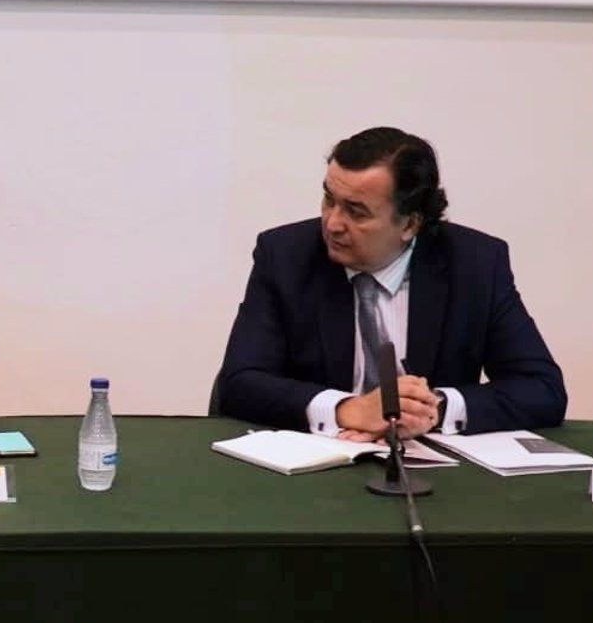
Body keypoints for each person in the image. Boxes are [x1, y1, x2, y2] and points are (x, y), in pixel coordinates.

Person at [213, 127, 565, 440]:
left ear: (410, 224)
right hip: (315, 465)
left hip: (431, 474)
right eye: (329, 200)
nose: (333, 224)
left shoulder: (474, 264)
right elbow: (239, 382)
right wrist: (347, 409)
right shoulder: (285, 256)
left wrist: (431, 409)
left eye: (356, 211)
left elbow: (542, 389)